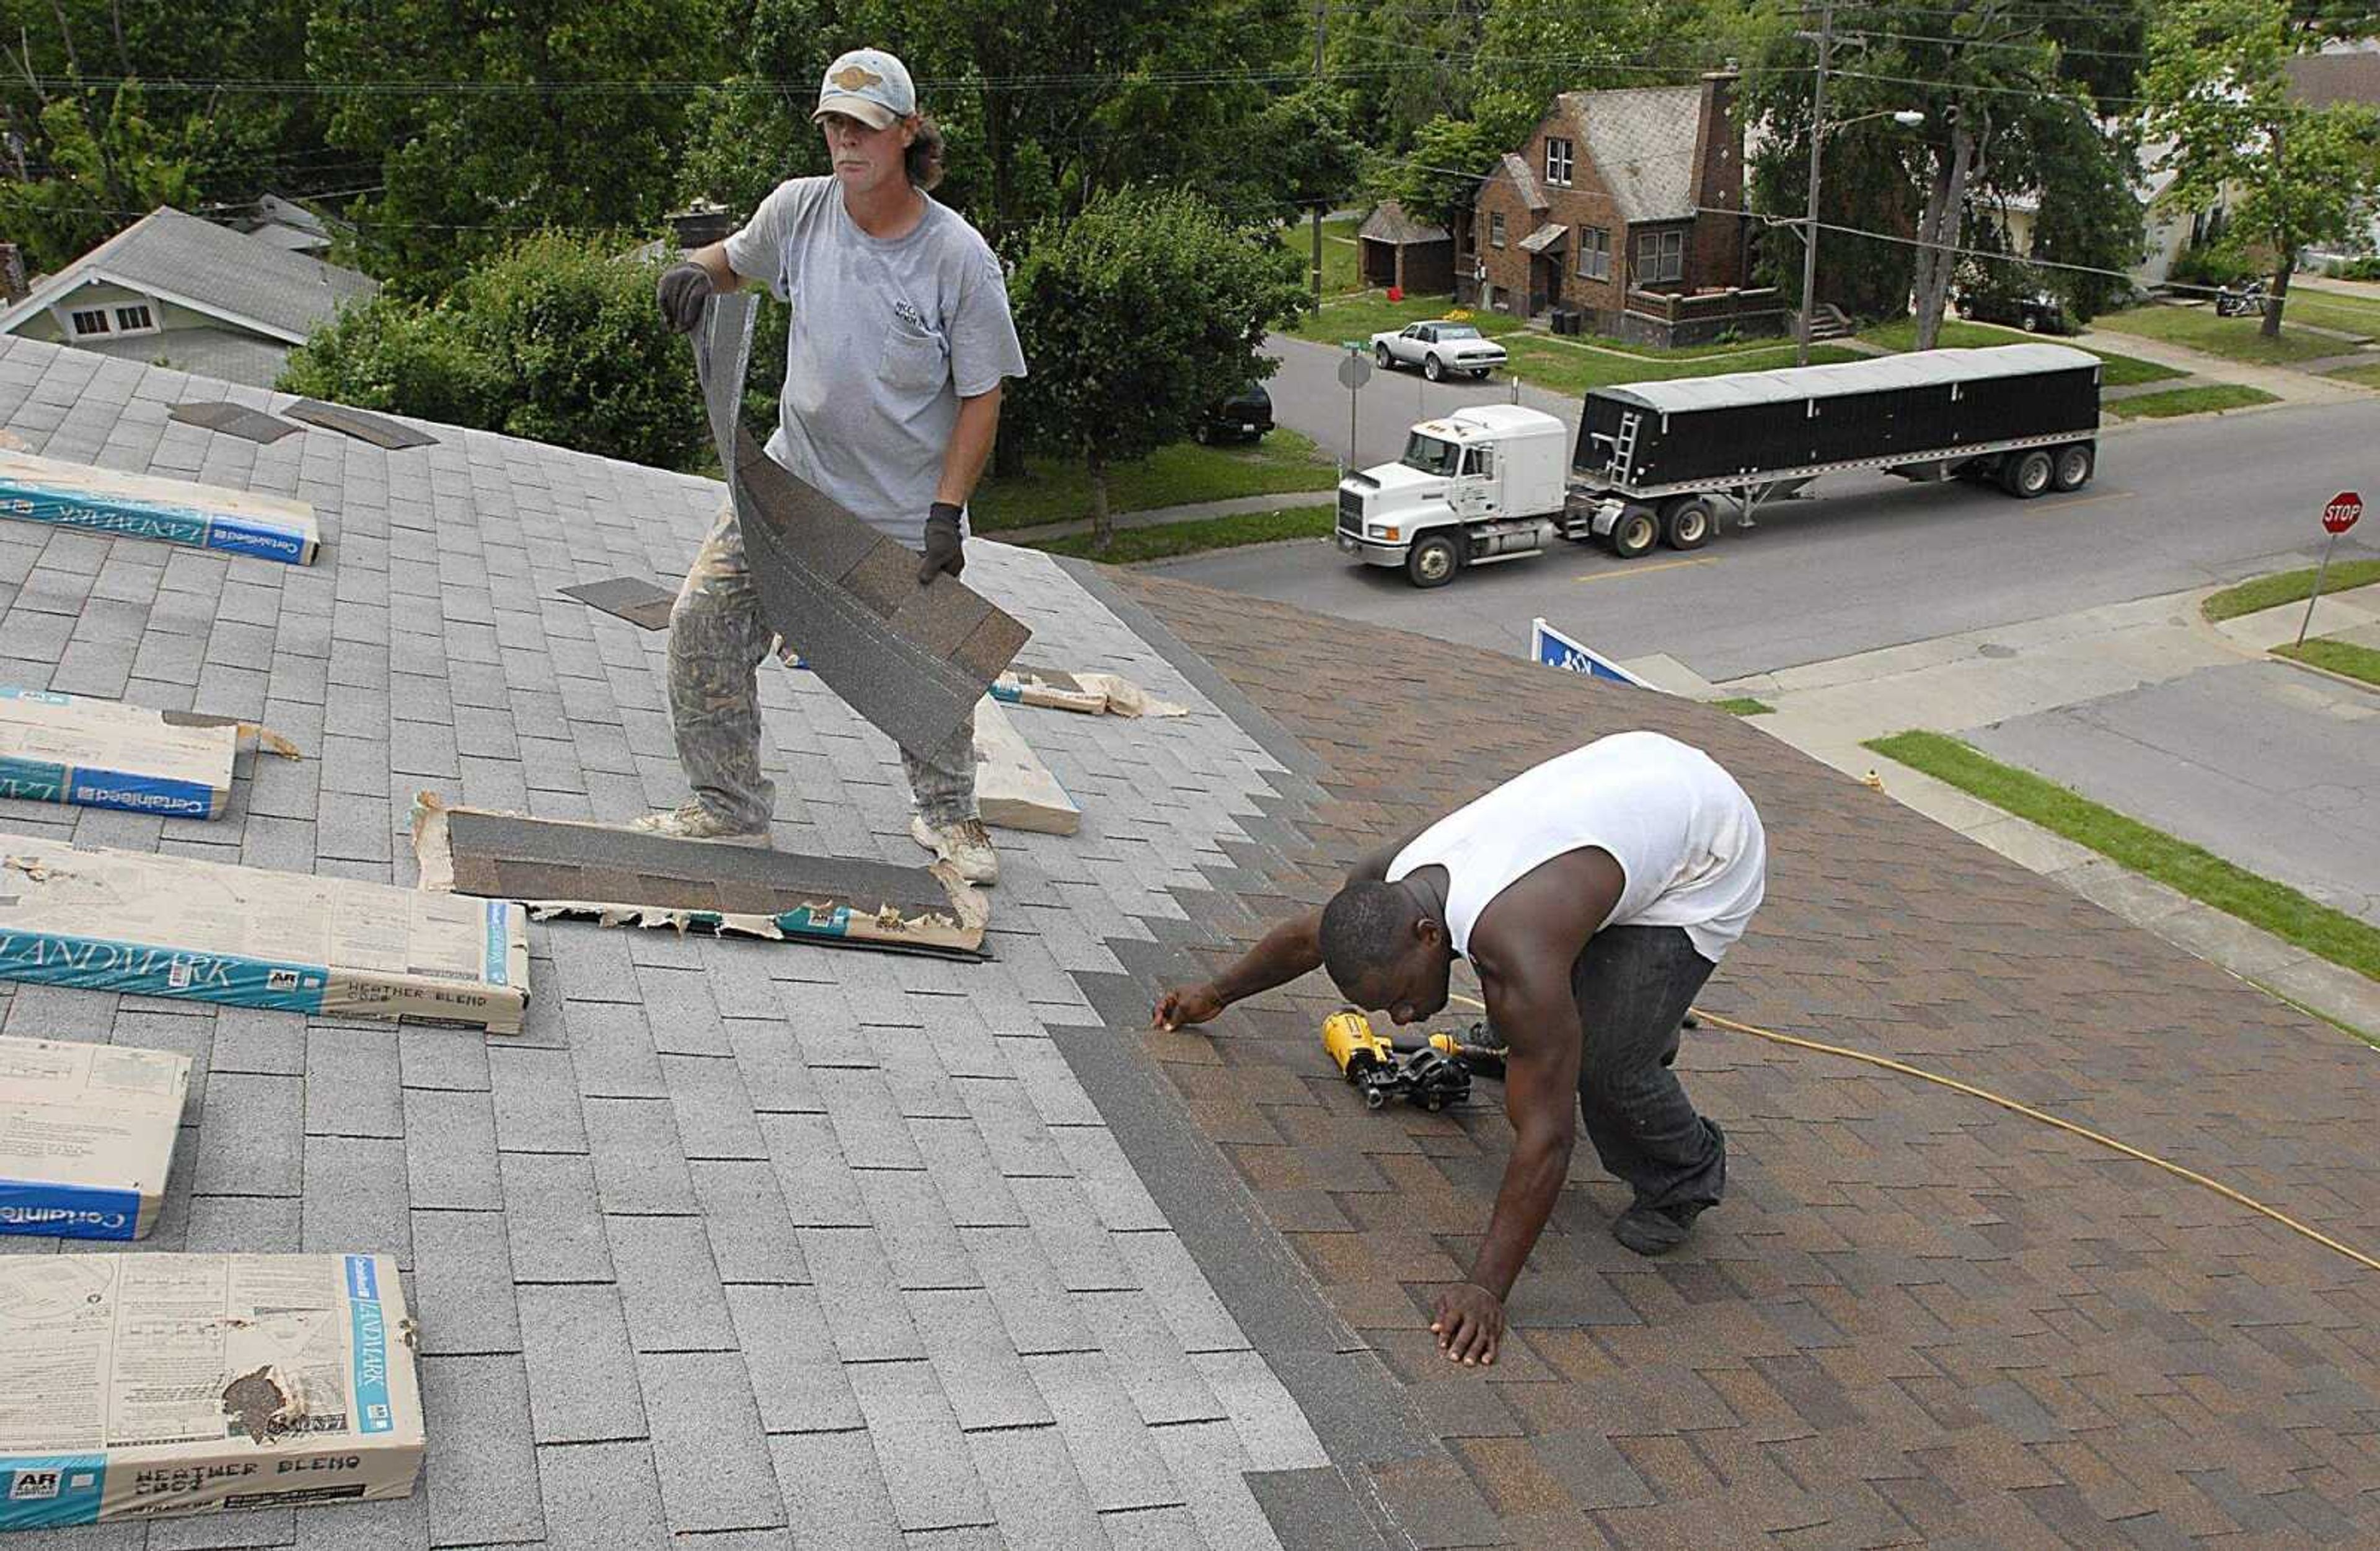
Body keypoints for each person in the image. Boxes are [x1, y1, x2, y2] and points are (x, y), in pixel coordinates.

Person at [1152, 731, 1765, 1366]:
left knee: (1603, 1067)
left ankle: (1682, 1176)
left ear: (1426, 934)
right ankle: (1617, 1016)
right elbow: (1311, 940)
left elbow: (1550, 1134)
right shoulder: (1382, 882)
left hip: (1707, 850)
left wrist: (1485, 1286)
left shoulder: (1516, 944)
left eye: (1399, 997)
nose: (1405, 1015)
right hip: (1636, 786)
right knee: (1542, 1007)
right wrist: (1215, 993)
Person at [640, 46, 1027, 885]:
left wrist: (945, 511)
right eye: (834, 125)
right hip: (785, 488)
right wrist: (688, 273)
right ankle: (728, 808)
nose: (846, 142)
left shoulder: (957, 258)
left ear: (907, 133)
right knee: (700, 623)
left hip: (893, 512)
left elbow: (982, 396)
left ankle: (950, 816)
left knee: (923, 679)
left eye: (864, 126)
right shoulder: (798, 212)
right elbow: (732, 263)